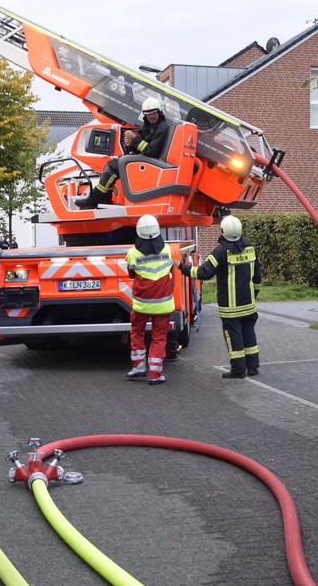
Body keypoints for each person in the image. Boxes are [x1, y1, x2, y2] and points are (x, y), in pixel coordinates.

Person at [179, 215, 261, 379]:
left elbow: (203, 273)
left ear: (223, 231)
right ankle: (253, 367)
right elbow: (257, 276)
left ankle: (238, 370)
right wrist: (254, 293)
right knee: (249, 334)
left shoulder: (221, 251)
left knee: (234, 336)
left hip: (230, 308)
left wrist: (182, 267)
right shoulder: (251, 248)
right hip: (249, 304)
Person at [75, 97, 171, 209]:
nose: (151, 117)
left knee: (112, 167)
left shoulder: (162, 128)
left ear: (159, 112)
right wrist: (131, 143)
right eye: (148, 114)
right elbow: (144, 145)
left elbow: (151, 151)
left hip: (151, 162)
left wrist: (134, 139)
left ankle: (93, 199)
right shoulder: (149, 126)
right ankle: (103, 199)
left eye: (153, 113)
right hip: (146, 160)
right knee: (111, 164)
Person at [125, 214, 175, 385]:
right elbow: (169, 268)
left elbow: (131, 273)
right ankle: (155, 374)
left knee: (137, 332)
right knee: (159, 337)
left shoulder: (132, 253)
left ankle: (138, 368)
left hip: (141, 304)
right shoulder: (167, 249)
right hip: (163, 303)